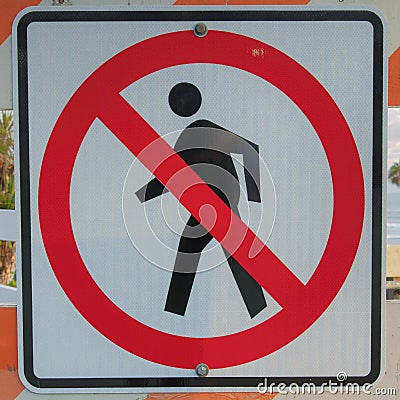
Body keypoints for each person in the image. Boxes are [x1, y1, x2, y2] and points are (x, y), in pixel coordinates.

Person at [136, 83, 267, 318]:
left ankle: (174, 315)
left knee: (192, 253)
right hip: (206, 204)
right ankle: (257, 309)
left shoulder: (202, 129)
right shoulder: (188, 141)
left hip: (219, 200)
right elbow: (170, 175)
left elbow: (249, 149)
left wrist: (254, 196)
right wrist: (142, 196)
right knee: (215, 254)